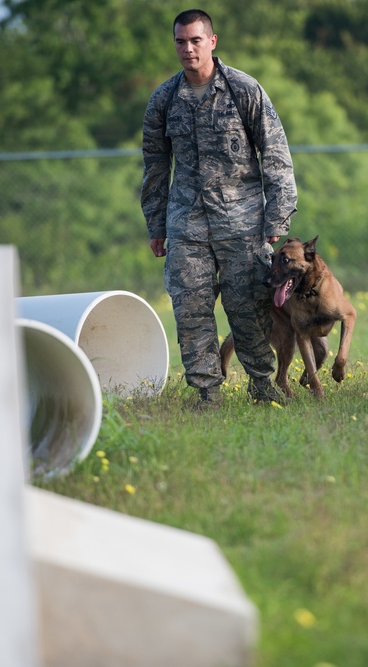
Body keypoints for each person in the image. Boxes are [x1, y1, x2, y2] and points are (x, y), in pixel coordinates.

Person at [141, 9, 298, 411]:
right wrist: (156, 223)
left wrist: (277, 216)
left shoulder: (243, 89)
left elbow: (275, 153)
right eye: (180, 41)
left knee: (249, 310)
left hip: (242, 222)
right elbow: (156, 165)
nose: (188, 49)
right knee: (190, 310)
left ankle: (262, 386)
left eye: (195, 40)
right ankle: (207, 394)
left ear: (212, 41)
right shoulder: (163, 100)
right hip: (186, 224)